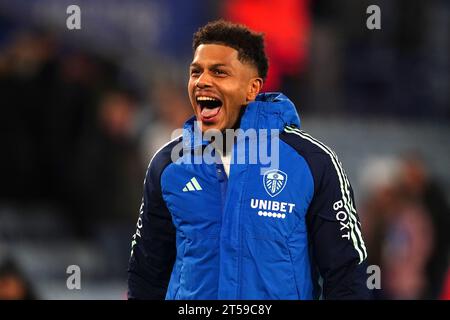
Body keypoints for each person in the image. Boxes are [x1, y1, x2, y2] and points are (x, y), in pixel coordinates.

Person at [128, 20, 370, 300]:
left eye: (219, 72)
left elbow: (347, 273)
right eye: (196, 72)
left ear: (252, 89)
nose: (202, 81)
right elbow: (146, 273)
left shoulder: (313, 163)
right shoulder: (169, 165)